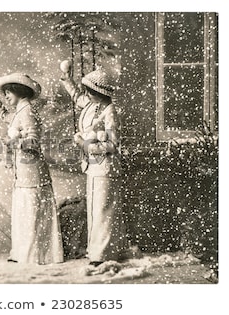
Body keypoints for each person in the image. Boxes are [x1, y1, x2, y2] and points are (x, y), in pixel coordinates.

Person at [0, 73, 64, 264]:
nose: (6, 98)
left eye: (7, 94)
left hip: (32, 172)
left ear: (18, 91)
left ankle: (35, 254)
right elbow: (5, 116)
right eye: (4, 95)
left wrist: (13, 143)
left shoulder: (28, 111)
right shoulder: (20, 111)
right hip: (23, 171)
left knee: (32, 212)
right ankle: (24, 253)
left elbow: (34, 142)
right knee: (26, 211)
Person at [60, 65, 127, 266]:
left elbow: (113, 145)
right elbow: (78, 98)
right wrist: (67, 79)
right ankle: (96, 251)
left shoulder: (110, 112)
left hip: (106, 168)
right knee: (94, 210)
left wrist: (86, 145)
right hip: (93, 168)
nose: (86, 94)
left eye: (90, 91)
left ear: (99, 92)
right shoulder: (92, 105)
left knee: (103, 211)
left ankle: (104, 253)